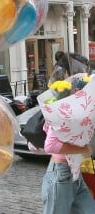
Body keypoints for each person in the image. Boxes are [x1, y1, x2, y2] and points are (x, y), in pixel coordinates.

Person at [42, 52, 95, 214]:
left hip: (75, 172)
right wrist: (82, 150)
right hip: (61, 172)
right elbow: (50, 145)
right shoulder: (62, 104)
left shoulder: (76, 102)